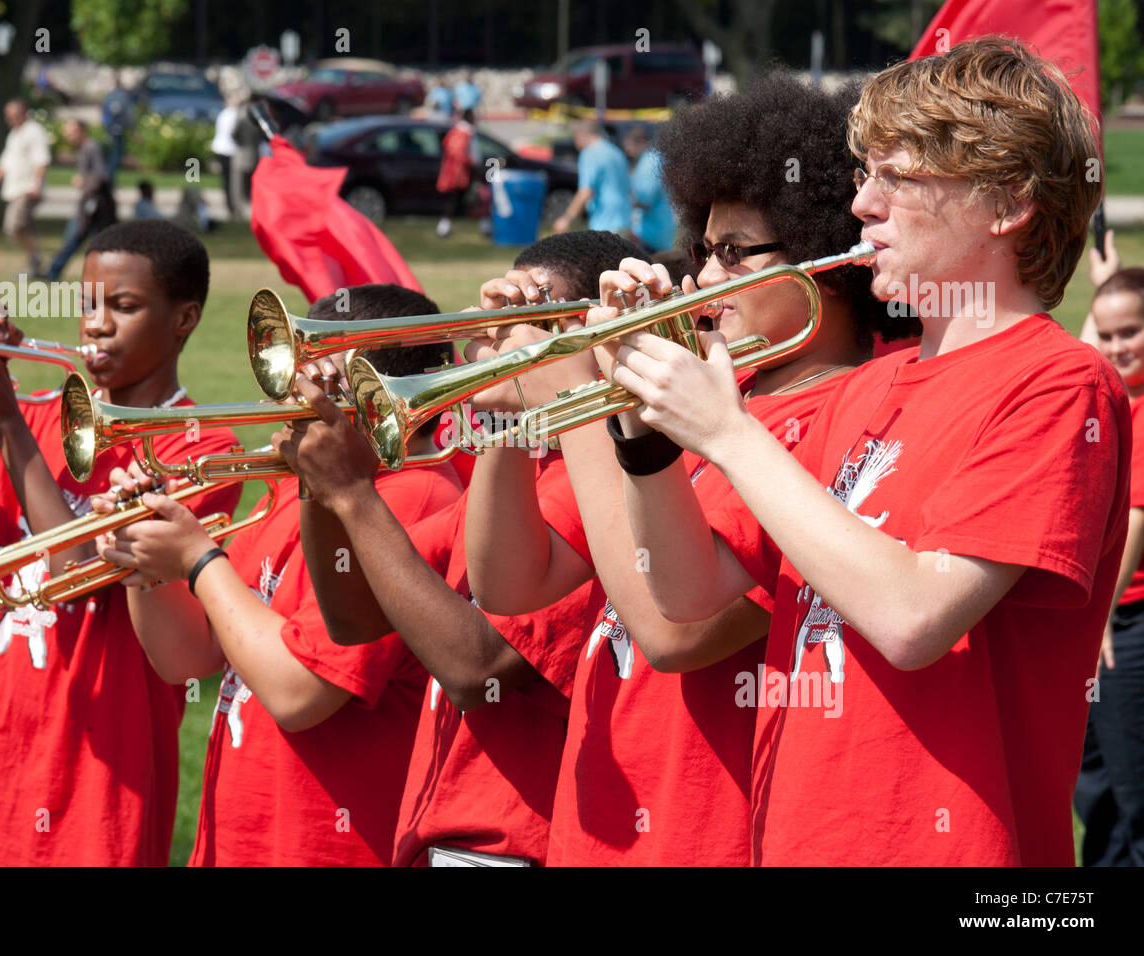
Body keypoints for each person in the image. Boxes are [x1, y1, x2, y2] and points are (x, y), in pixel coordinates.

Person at [598, 37, 1126, 866]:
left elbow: (913, 618)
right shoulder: (862, 391)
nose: (863, 206)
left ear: (1008, 202)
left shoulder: (1058, 384)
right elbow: (685, 593)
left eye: (898, 179)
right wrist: (643, 426)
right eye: (862, 178)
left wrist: (730, 434)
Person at [462, 75, 913, 865]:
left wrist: (583, 389)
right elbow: (508, 584)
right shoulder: (711, 394)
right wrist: (510, 404)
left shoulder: (850, 417)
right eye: (703, 251)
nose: (703, 279)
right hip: (595, 828)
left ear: (821, 257)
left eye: (735, 253)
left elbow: (675, 631)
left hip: (703, 834)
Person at [0, 220, 243, 866]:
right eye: (87, 305)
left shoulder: (202, 450)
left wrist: (6, 419)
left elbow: (74, 566)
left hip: (93, 777)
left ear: (184, 319)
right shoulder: (37, 413)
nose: (96, 324)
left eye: (124, 307)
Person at [283, 232, 643, 866]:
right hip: (446, 837)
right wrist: (323, 482)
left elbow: (476, 668)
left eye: (524, 317)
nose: (494, 336)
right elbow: (356, 618)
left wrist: (354, 495)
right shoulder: (519, 472)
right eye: (498, 313)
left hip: (511, 843)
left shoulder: (594, 487)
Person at [95, 284, 463, 866]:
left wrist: (198, 560)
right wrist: (146, 560)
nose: (294, 401)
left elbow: (299, 694)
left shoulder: (413, 499)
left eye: (321, 384)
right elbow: (189, 657)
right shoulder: (301, 490)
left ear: (381, 399)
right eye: (297, 377)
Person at [1075, 266, 1144, 866]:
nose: (1118, 345)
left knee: (1129, 793)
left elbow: (1138, 521)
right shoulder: (1105, 392)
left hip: (1122, 623)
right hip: (1096, 623)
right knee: (1091, 787)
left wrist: (1102, 614)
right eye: (1109, 332)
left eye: (1133, 332)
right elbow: (1076, 356)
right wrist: (1104, 287)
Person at [0, 98, 51, 277]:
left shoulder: (34, 132)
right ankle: (34, 263)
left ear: (24, 113)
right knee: (23, 227)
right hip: (14, 188)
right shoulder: (14, 133)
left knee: (14, 226)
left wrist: (37, 185)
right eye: (8, 116)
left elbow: (41, 161)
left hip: (27, 188)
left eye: (13, 115)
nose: (10, 119)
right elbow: (6, 160)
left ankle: (34, 262)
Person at [45, 119, 116, 281]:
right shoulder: (86, 148)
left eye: (71, 132)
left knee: (75, 239)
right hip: (91, 206)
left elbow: (101, 175)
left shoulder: (92, 148)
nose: (68, 136)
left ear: (81, 131)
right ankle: (53, 272)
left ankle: (53, 273)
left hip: (93, 207)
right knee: (94, 243)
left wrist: (84, 182)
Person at [553, 120, 630, 235]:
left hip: (605, 221)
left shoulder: (590, 153)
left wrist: (566, 219)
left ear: (581, 135)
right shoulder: (616, 152)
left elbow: (585, 192)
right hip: (624, 219)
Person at [622, 125, 675, 254]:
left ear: (639, 143)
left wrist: (624, 200)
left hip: (650, 233)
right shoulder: (658, 158)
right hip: (663, 227)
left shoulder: (648, 163)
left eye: (628, 146)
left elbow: (645, 202)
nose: (627, 151)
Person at [436, 109, 479, 238]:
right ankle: (444, 228)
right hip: (460, 172)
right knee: (457, 200)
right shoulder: (465, 132)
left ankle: (445, 227)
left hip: (456, 171)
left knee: (458, 200)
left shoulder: (456, 132)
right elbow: (461, 154)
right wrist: (471, 163)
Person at [211, 98, 240, 219]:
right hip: (229, 149)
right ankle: (232, 204)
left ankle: (229, 202)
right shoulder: (234, 115)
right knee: (231, 179)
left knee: (226, 178)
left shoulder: (223, 114)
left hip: (221, 148)